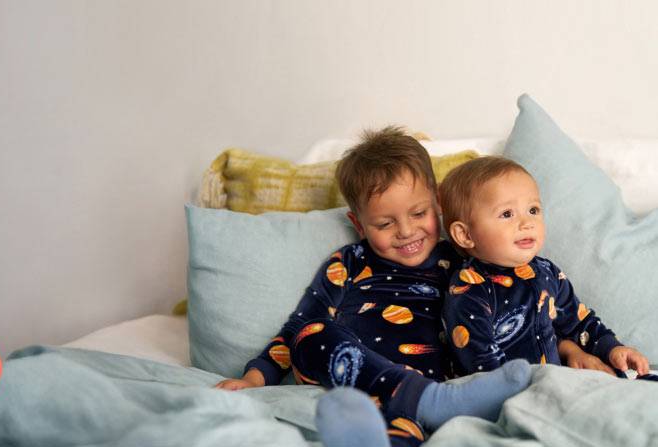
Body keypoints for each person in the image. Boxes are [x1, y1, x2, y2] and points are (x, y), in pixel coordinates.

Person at [215, 127, 532, 447]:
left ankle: (416, 411)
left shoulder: (462, 260)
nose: (406, 231)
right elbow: (299, 325)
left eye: (418, 213)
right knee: (310, 333)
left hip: (437, 383)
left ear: (437, 202)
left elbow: (510, 305)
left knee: (404, 425)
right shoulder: (350, 262)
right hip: (363, 384)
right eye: (385, 223)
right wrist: (253, 378)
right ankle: (422, 405)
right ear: (359, 225)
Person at [438, 156, 651, 377]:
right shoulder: (469, 290)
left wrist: (612, 348)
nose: (527, 223)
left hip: (553, 382)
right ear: (465, 235)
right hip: (509, 388)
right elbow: (481, 362)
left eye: (533, 210)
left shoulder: (546, 272)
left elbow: (579, 323)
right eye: (507, 214)